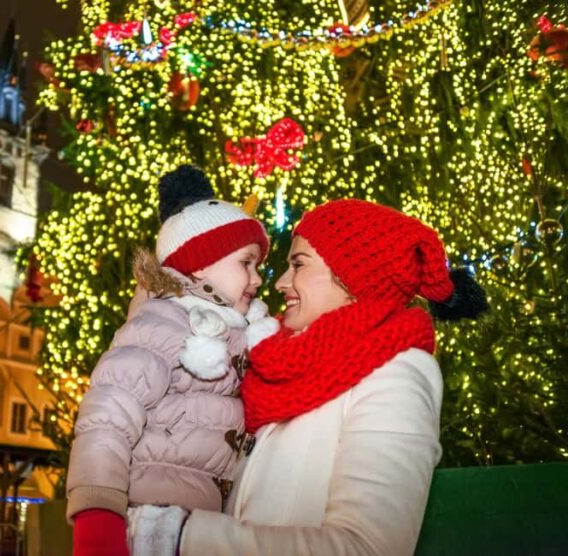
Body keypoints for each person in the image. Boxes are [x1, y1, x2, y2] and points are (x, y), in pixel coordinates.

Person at [130, 199, 489, 555]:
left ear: (355, 276)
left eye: (298, 264)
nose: (281, 283)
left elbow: (368, 548)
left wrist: (182, 536)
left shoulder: (397, 374)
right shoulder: (276, 368)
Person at [67, 165, 278, 556]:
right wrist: (98, 515)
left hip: (197, 528)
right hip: (150, 527)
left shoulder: (236, 333)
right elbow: (108, 417)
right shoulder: (164, 323)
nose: (257, 279)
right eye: (246, 263)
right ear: (200, 263)